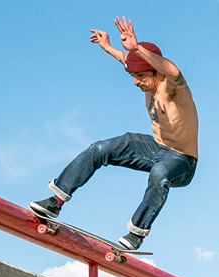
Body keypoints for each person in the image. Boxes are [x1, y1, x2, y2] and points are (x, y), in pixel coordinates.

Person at [30, 16, 198, 251]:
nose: (135, 83)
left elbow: (173, 70)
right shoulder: (145, 76)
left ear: (154, 72)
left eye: (140, 77)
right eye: (133, 77)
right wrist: (109, 47)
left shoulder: (174, 87)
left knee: (160, 173)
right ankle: (55, 201)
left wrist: (137, 47)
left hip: (182, 161)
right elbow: (126, 60)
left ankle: (137, 233)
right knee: (100, 149)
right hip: (154, 147)